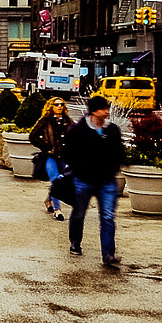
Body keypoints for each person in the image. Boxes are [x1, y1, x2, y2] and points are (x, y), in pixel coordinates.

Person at [62, 95, 127, 268]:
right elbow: (68, 153)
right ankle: (75, 241)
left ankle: (108, 254)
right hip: (83, 180)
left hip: (107, 182)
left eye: (107, 108)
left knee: (107, 217)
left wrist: (114, 168)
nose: (107, 111)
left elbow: (120, 152)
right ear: (94, 111)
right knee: (78, 213)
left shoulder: (112, 130)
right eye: (103, 108)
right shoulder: (78, 130)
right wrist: (78, 170)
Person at [30, 97, 74, 220]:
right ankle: (57, 209)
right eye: (56, 104)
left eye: (61, 104)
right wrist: (46, 146)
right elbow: (32, 136)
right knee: (55, 180)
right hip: (50, 156)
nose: (59, 106)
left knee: (62, 181)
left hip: (64, 156)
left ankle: (49, 200)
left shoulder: (68, 121)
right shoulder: (46, 120)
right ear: (51, 106)